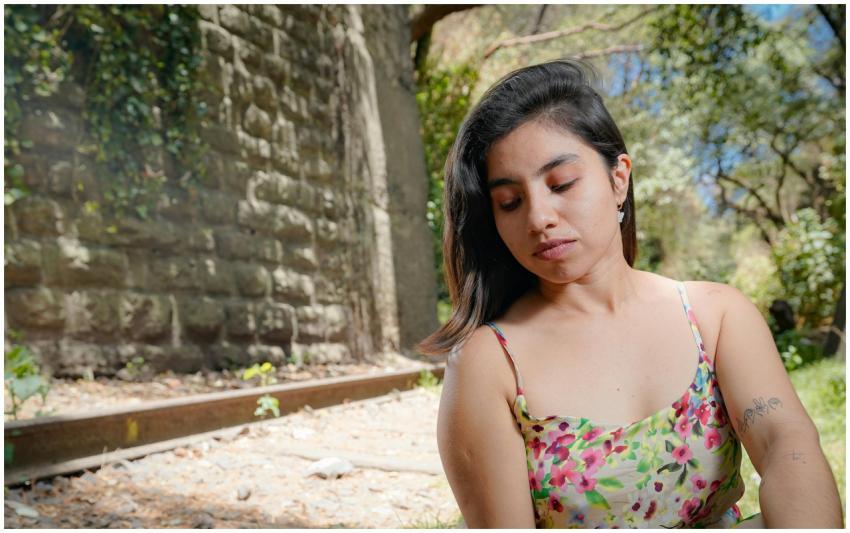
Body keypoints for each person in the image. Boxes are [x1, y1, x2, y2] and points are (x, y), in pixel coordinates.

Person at [417, 59, 843, 528]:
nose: (539, 217)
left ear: (619, 178)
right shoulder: (488, 363)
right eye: (510, 202)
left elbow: (787, 443)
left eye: (561, 184)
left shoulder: (714, 316)